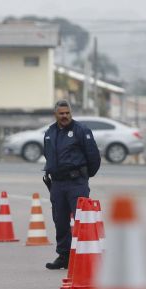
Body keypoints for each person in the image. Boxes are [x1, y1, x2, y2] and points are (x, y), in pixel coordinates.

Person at [42, 99, 101, 270]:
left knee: (81, 220)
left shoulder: (81, 130)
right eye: (61, 113)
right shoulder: (50, 132)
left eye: (67, 113)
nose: (65, 116)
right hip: (57, 184)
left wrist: (84, 176)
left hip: (76, 183)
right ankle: (64, 256)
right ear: (55, 114)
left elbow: (94, 157)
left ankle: (85, 255)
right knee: (59, 220)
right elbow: (48, 154)